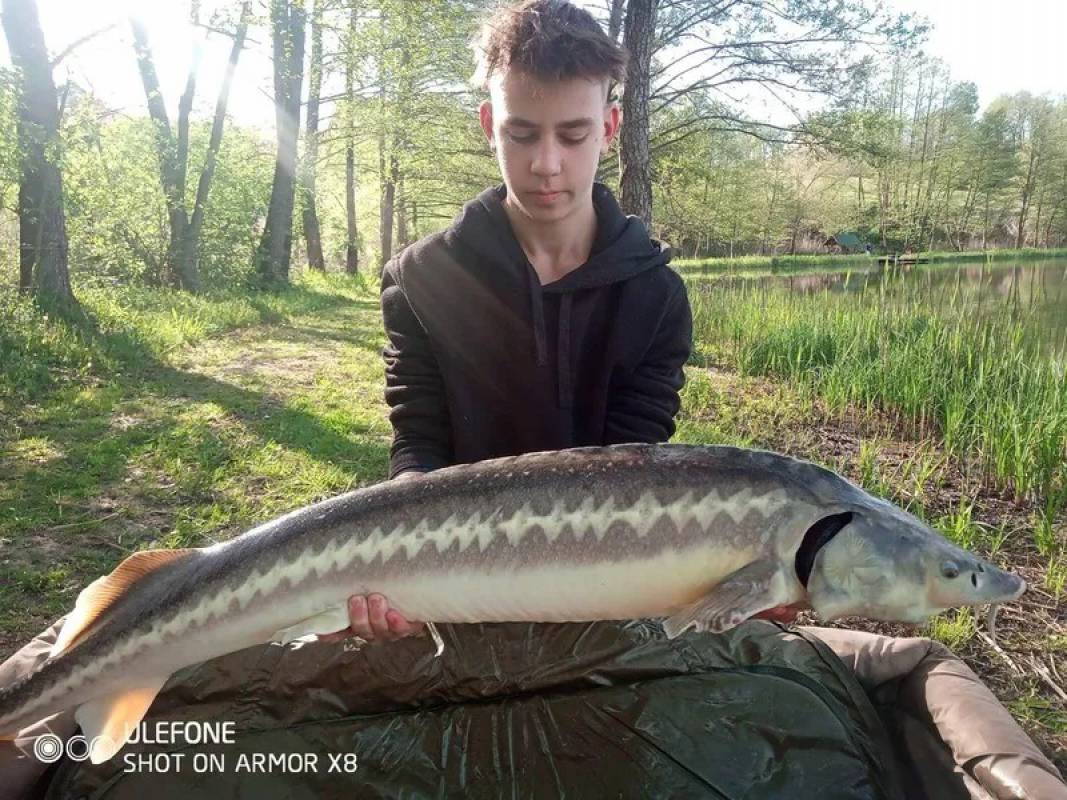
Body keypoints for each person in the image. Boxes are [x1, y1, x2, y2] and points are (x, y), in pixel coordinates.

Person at [319, 0, 693, 646]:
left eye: (572, 135)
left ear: (609, 128)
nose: (546, 164)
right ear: (489, 125)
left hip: (595, 594)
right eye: (522, 134)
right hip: (453, 587)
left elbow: (634, 470)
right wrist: (403, 573)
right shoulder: (422, 279)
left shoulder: (656, 296)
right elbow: (419, 442)